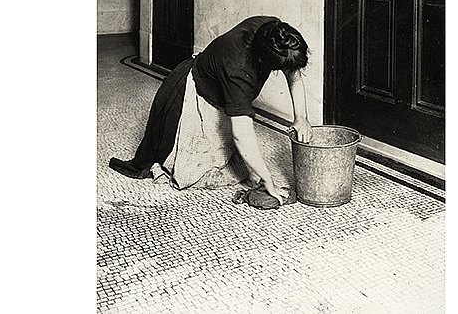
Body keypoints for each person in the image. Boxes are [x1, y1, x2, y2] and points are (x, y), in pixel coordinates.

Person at [109, 16, 312, 205]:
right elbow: (242, 134)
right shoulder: (238, 69)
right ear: (262, 61)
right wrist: (268, 181)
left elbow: (292, 72)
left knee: (235, 168)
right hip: (195, 91)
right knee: (189, 175)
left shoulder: (274, 33)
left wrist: (301, 117)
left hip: (223, 93)